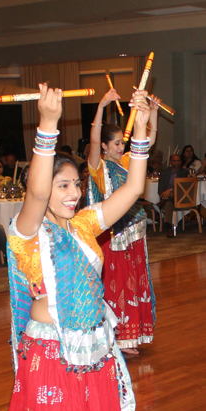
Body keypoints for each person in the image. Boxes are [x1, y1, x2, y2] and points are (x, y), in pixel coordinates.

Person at [0, 84, 147, 411]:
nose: (71, 193)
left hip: (96, 354)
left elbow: (129, 193)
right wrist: (47, 124)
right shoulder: (27, 231)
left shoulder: (85, 224)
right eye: (63, 186)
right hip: (49, 358)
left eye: (76, 185)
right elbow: (36, 195)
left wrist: (142, 139)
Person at [88, 88, 158, 355]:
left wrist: (151, 111)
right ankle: (115, 338)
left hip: (135, 234)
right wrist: (101, 105)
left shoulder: (129, 161)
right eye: (116, 143)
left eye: (122, 142)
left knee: (134, 282)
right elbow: (94, 143)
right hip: (113, 238)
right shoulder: (99, 168)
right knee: (116, 286)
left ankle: (130, 337)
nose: (121, 147)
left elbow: (149, 140)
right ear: (105, 146)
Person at [157, 154, 189, 237]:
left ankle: (163, 201)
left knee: (170, 196)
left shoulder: (184, 172)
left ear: (181, 161)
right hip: (169, 198)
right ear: (171, 162)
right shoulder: (165, 173)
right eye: (174, 161)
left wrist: (170, 190)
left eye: (178, 160)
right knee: (168, 204)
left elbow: (182, 188)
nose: (176, 162)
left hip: (179, 197)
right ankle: (169, 228)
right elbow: (160, 189)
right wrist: (165, 193)